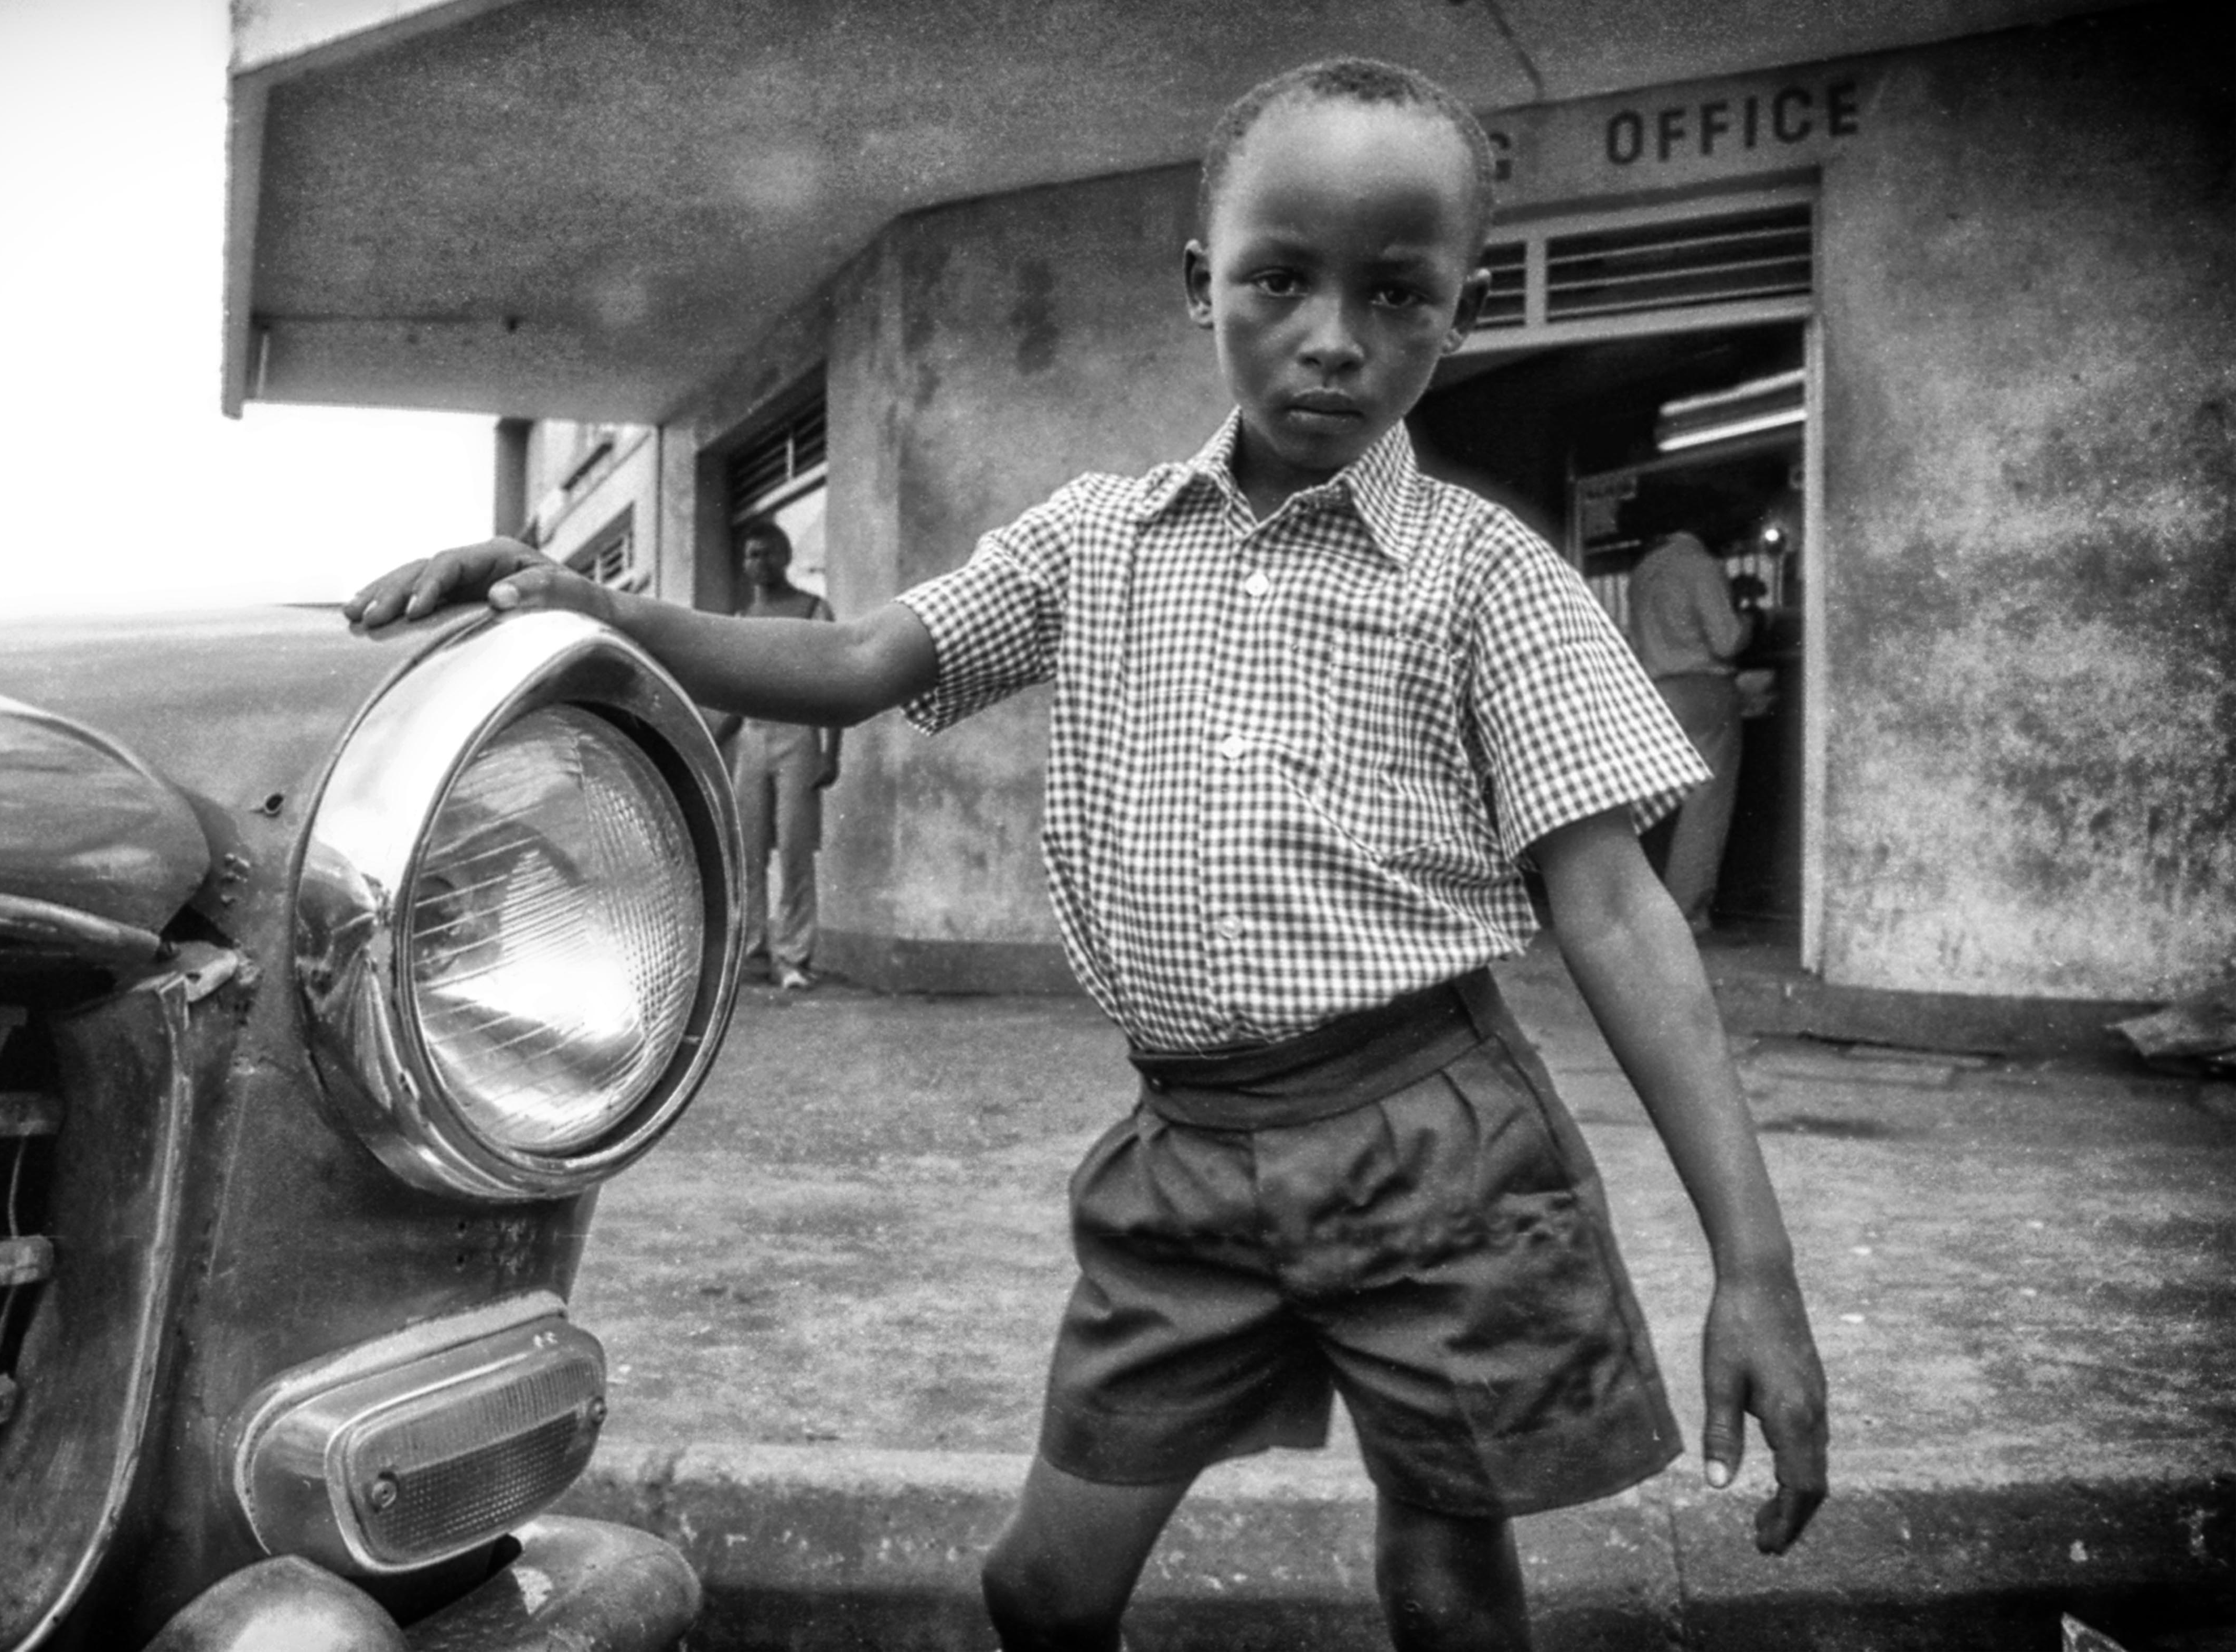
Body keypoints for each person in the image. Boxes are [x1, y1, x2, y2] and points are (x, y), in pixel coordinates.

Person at [347, 55, 1826, 1651]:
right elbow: (855, 659)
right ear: (1204, 283)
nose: (1333, 338)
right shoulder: (1092, 542)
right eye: (1279, 280)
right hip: (1185, 1155)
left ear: (1455, 312)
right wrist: (597, 609)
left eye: (1397, 296)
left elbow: (1613, 910)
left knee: (1445, 1580)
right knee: (1040, 1586)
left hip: (1438, 1152)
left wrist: (1752, 1270)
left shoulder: (1485, 579)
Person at [722, 520, 839, 990]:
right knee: (747, 851)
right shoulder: (740, 620)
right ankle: (753, 952)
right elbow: (734, 695)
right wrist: (710, 739)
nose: (760, 563)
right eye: (752, 555)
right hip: (753, 738)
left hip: (798, 739)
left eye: (768, 553)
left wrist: (833, 751)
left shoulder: (814, 609)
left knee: (794, 850)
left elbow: (834, 683)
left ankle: (792, 957)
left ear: (787, 556)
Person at [1625, 529, 1758, 934]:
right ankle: (1686, 913)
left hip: (1654, 694)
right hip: (1703, 693)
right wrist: (1750, 615)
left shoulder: (1642, 573)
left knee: (1648, 806)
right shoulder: (1702, 566)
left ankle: (1633, 906)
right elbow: (1727, 640)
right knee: (1705, 805)